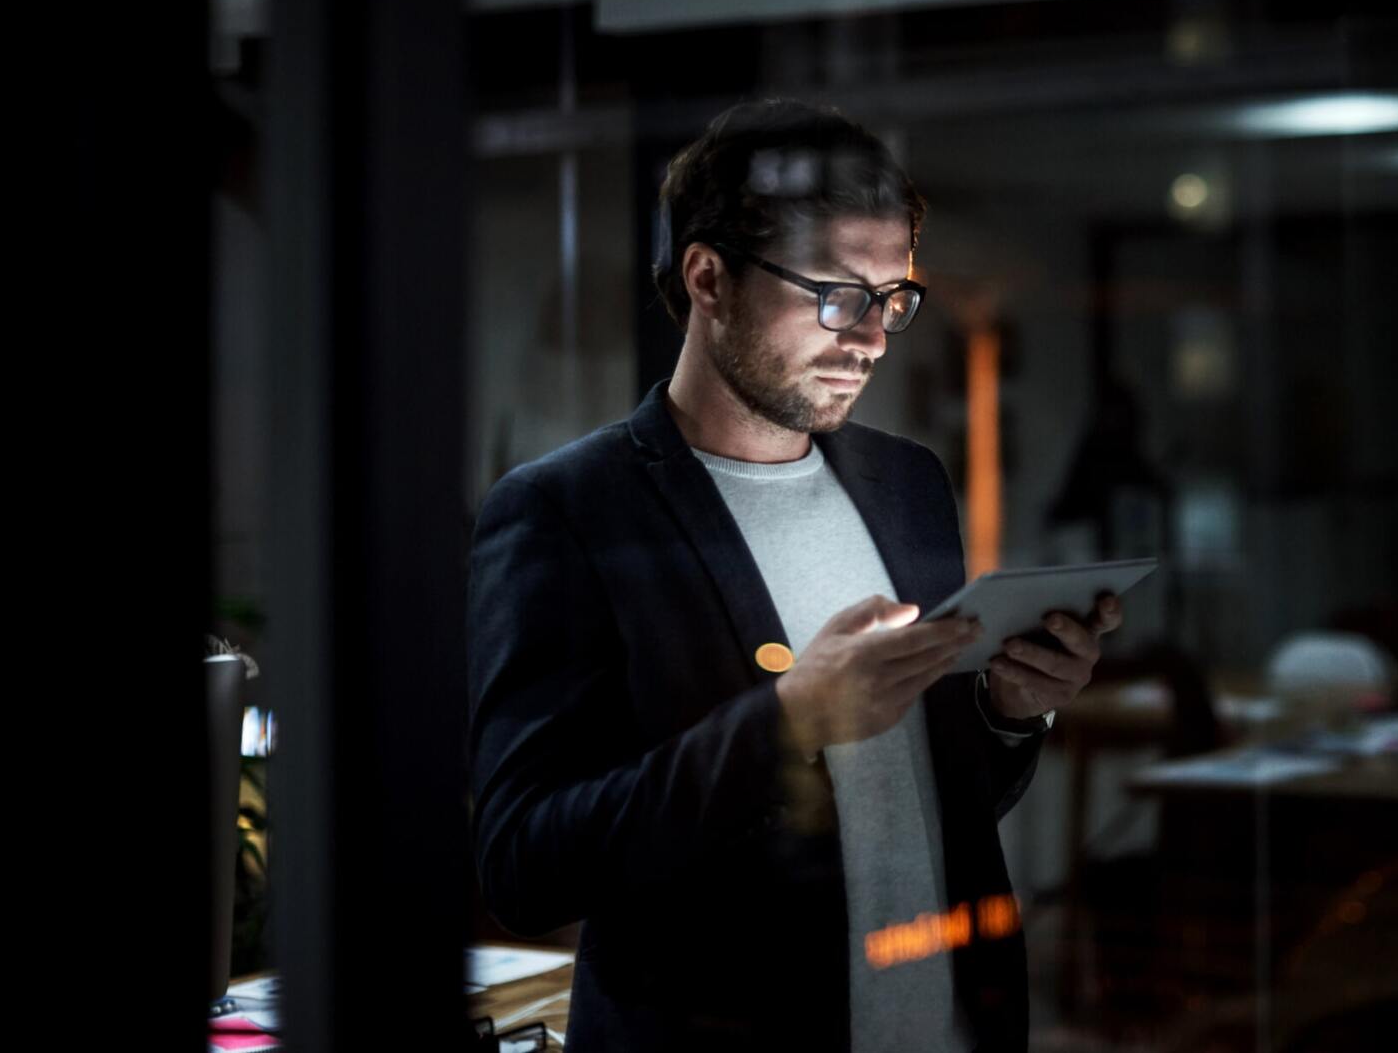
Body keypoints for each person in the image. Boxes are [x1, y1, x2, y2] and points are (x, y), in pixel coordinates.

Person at [466, 97, 1125, 1051]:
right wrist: (789, 725)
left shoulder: (908, 485)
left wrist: (1009, 712)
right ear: (708, 278)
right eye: (835, 294)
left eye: (893, 298)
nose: (871, 337)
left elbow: (926, 802)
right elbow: (527, 866)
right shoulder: (568, 511)